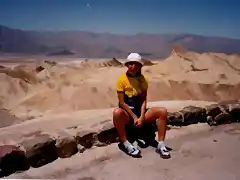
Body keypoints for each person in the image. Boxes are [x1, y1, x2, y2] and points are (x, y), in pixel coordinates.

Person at [113, 53, 170, 159]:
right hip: (127, 114)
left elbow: (143, 100)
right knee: (116, 113)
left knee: (162, 111)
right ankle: (126, 144)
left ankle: (161, 145)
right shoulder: (121, 80)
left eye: (135, 64)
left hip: (140, 113)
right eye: (130, 64)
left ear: (140, 66)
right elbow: (122, 103)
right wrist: (134, 117)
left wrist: (142, 117)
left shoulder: (143, 80)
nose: (132, 66)